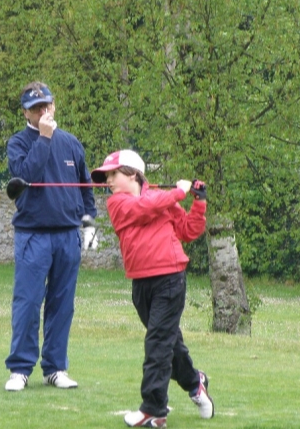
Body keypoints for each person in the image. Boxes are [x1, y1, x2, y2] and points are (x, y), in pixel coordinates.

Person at [90, 149, 214, 427]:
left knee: (157, 343)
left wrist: (199, 203)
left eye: (113, 173)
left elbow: (189, 231)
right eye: (106, 175)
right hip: (140, 283)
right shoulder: (118, 203)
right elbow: (143, 209)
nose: (107, 180)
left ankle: (154, 409)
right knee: (168, 343)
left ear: (132, 174)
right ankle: (196, 383)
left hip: (170, 279)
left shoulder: (163, 201)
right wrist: (177, 193)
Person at [4, 81, 97, 392]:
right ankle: (20, 368)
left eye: (47, 105)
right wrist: (43, 138)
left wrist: (89, 223)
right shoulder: (18, 143)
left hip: (67, 235)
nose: (43, 111)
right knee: (28, 302)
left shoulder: (71, 143)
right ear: (26, 113)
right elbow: (26, 175)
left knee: (62, 304)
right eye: (36, 108)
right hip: (33, 234)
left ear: (54, 105)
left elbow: (85, 187)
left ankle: (55, 368)